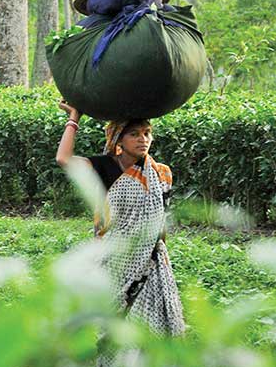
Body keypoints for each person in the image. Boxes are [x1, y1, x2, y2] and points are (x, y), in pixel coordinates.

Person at [55, 101, 185, 362]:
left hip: (150, 260)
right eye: (135, 134)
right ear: (118, 138)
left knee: (149, 321)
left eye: (147, 133)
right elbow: (63, 159)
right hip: (113, 256)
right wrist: (74, 117)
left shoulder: (160, 173)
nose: (143, 139)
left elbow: (160, 221)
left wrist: (155, 254)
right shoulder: (104, 167)